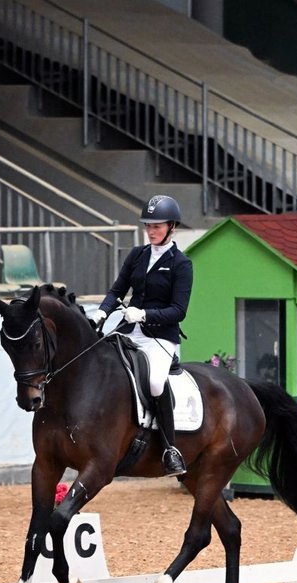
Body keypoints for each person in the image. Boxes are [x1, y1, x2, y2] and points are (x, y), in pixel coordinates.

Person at [89, 194, 191, 476]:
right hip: (128, 329)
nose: (151, 231)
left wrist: (144, 314)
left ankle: (171, 449)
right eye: (148, 225)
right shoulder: (137, 255)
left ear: (172, 227)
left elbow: (179, 310)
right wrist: (102, 313)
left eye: (157, 226)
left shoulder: (181, 264)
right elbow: (117, 290)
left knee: (156, 383)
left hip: (160, 337)